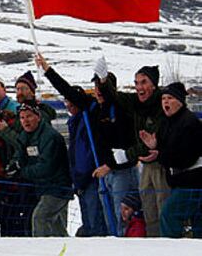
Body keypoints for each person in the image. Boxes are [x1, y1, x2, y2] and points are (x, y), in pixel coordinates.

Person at [35, 53, 108, 236]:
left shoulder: (91, 112)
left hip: (93, 176)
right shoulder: (75, 122)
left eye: (71, 100)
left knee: (96, 224)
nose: (69, 105)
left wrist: (47, 70)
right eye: (67, 102)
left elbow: (65, 88)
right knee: (89, 223)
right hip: (81, 179)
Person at [96, 59, 170, 237]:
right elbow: (115, 97)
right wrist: (104, 80)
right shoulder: (136, 102)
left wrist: (125, 156)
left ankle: (169, 245)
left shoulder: (161, 106)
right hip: (145, 165)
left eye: (144, 82)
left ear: (154, 84)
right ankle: (152, 244)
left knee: (164, 208)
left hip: (163, 166)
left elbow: (150, 143)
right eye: (136, 83)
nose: (139, 87)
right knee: (149, 207)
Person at [140, 82, 202, 238]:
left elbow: (185, 158)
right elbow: (167, 149)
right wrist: (155, 145)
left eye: (170, 98)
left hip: (193, 182)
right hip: (180, 182)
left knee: (169, 215)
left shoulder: (190, 123)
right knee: (197, 224)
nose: (165, 102)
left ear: (180, 101)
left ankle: (171, 249)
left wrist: (160, 156)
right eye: (163, 98)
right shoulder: (167, 122)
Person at [6, 100, 72, 237]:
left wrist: (22, 171)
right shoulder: (25, 135)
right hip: (42, 187)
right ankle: (65, 247)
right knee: (56, 226)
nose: (25, 121)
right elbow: (20, 153)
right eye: (22, 117)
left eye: (29, 116)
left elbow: (46, 167)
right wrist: (14, 164)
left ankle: (41, 250)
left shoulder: (50, 137)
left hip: (57, 187)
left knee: (40, 218)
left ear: (38, 117)